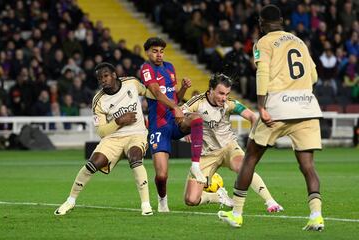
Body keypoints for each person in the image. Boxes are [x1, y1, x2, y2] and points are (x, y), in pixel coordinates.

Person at [218, 5, 324, 231]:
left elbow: (262, 72)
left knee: (250, 158)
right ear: (282, 20)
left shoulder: (263, 43)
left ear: (260, 22)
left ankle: (236, 213)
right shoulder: (299, 41)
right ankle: (316, 215)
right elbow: (313, 75)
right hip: (306, 106)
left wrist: (261, 106)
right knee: (308, 165)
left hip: (277, 107)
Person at [54, 62, 154, 216]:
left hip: (136, 134)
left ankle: (146, 205)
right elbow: (101, 131)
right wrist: (119, 121)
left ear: (114, 75)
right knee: (93, 163)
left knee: (135, 157)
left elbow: (149, 92)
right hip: (113, 138)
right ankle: (70, 201)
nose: (102, 80)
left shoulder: (131, 83)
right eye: (99, 78)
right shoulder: (98, 100)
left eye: (105, 76)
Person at [182, 73, 283, 212]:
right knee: (191, 200)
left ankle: (270, 201)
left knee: (243, 167)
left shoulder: (229, 103)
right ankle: (218, 196)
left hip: (228, 147)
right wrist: (187, 129)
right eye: (221, 93)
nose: (224, 98)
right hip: (206, 154)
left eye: (227, 94)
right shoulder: (197, 102)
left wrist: (253, 141)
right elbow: (179, 115)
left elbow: (252, 117)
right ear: (210, 89)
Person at [140, 37, 206, 212]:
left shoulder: (170, 67)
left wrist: (183, 89)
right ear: (147, 52)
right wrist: (176, 107)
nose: (159, 54)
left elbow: (173, 96)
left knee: (197, 118)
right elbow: (157, 93)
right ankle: (162, 200)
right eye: (155, 51)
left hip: (174, 121)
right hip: (159, 126)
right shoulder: (146, 68)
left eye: (161, 51)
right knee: (162, 175)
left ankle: (195, 165)